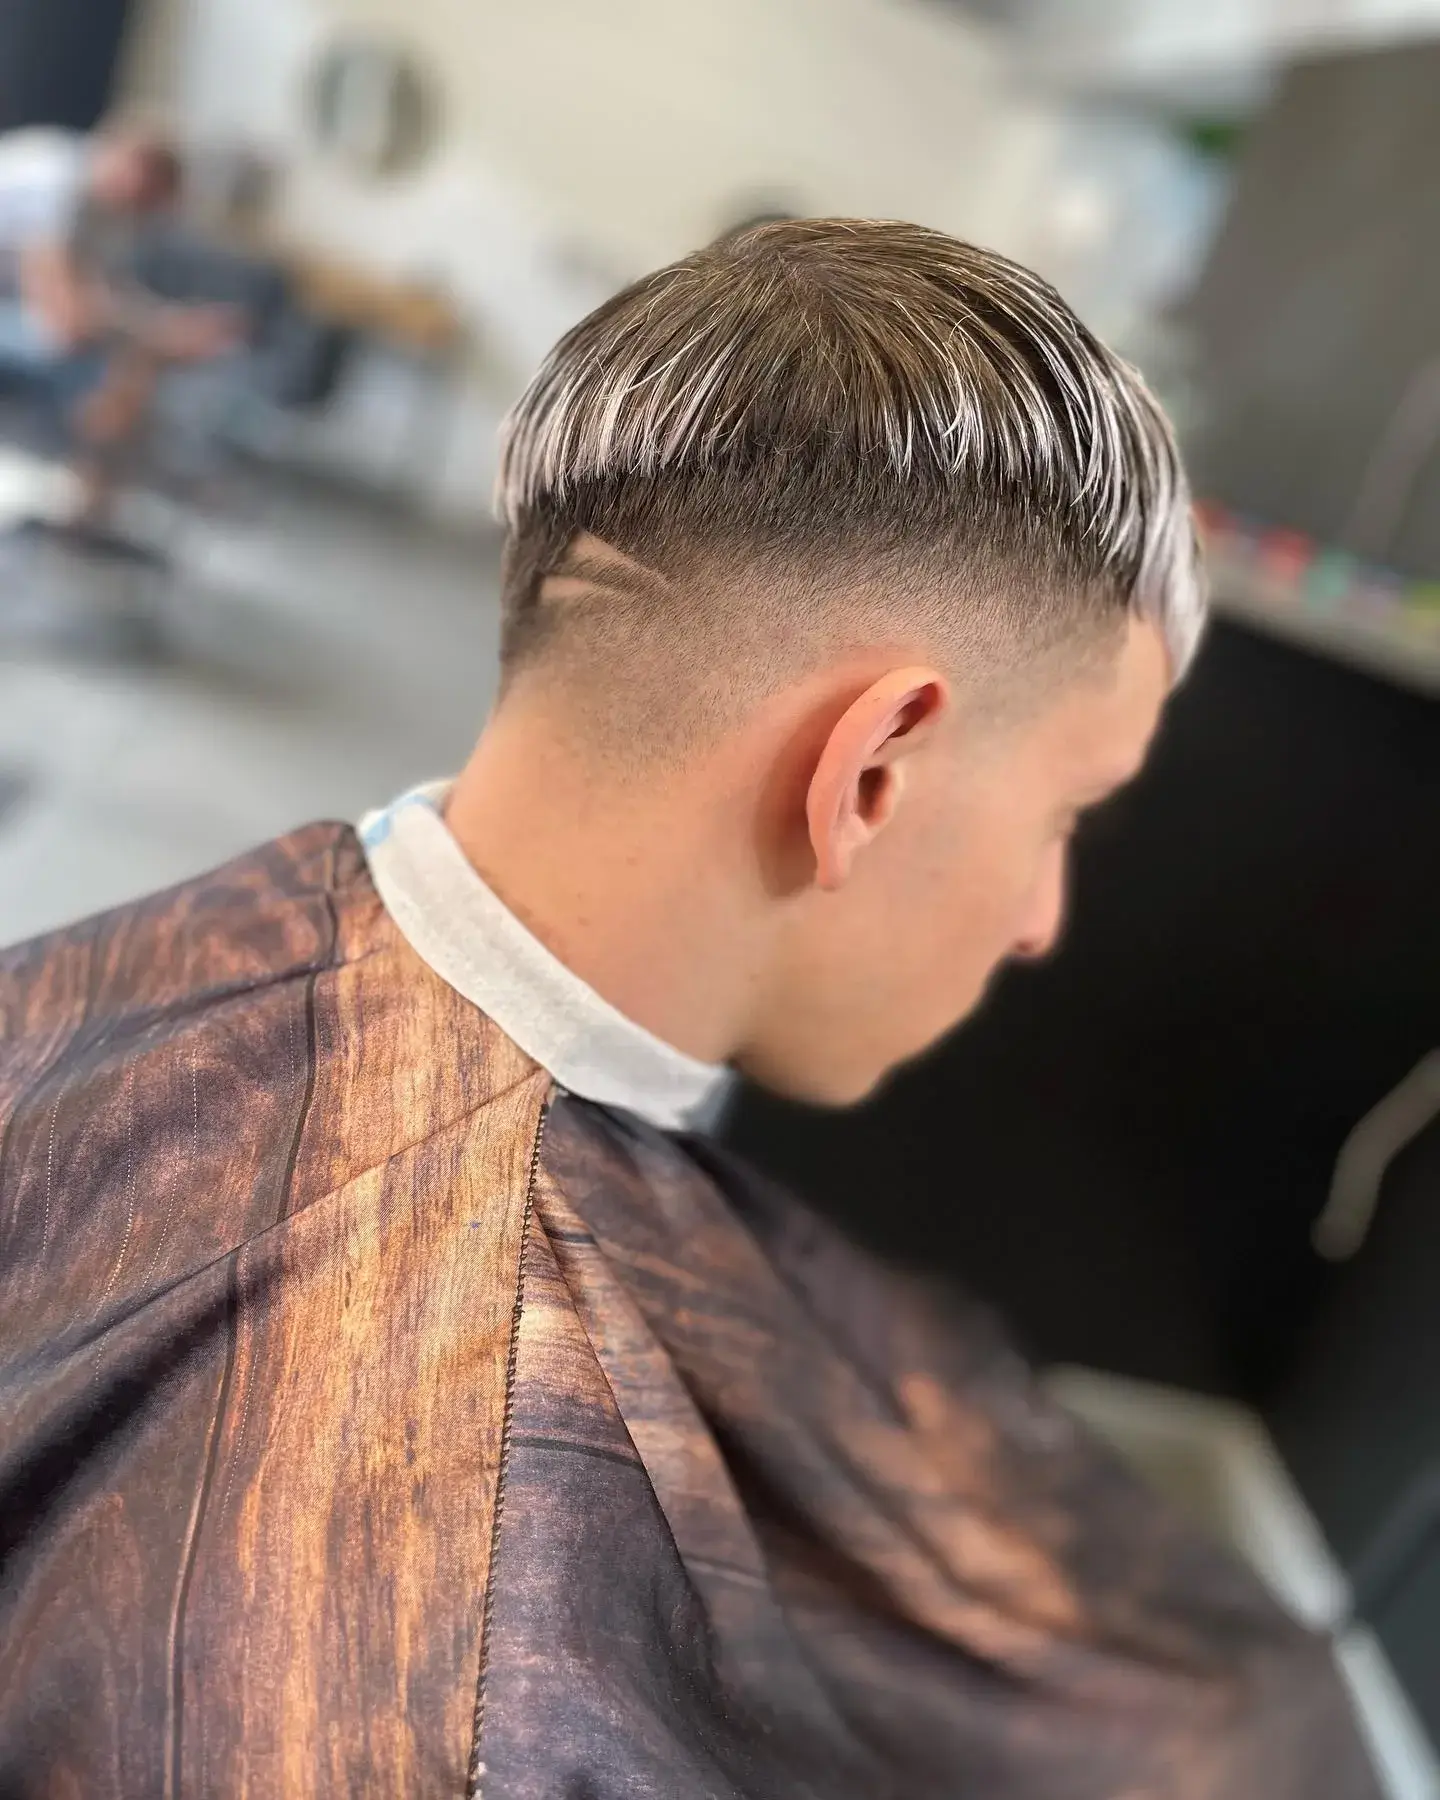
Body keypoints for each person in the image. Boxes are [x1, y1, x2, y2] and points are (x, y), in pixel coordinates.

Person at [0, 221, 1379, 1797]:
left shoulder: (149, 963)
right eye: (1069, 813)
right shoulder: (444, 1681)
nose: (1041, 919)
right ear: (872, 774)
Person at [0, 123, 241, 522]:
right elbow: (64, 317)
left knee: (131, 362)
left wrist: (163, 325)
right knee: (94, 361)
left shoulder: (93, 205)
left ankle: (88, 497)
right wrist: (158, 335)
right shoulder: (50, 178)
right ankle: (75, 492)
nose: (136, 208)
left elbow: (98, 294)